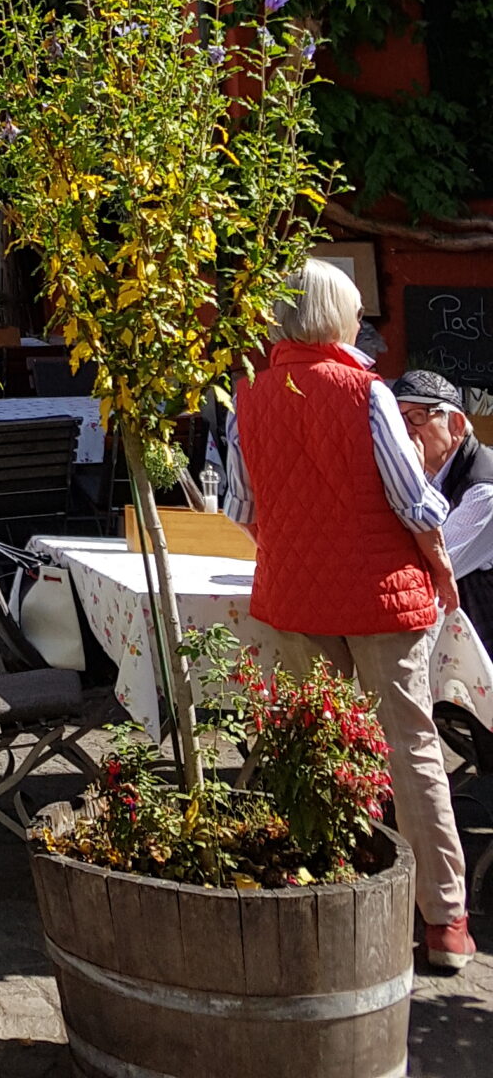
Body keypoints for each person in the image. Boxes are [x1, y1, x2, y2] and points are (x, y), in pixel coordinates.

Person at [228, 259, 472, 972]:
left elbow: (241, 510)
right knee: (412, 751)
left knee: (332, 748)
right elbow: (414, 501)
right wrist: (441, 565)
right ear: (334, 317)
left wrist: (299, 547)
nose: (363, 323)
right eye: (357, 312)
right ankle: (444, 919)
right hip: (382, 596)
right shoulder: (365, 393)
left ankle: (350, 896)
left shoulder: (252, 395)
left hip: (297, 599)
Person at [393, 368, 493, 650]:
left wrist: (408, 480)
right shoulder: (426, 472)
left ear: (457, 424)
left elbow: (429, 569)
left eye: (418, 416)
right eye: (397, 420)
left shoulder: (483, 490)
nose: (406, 430)